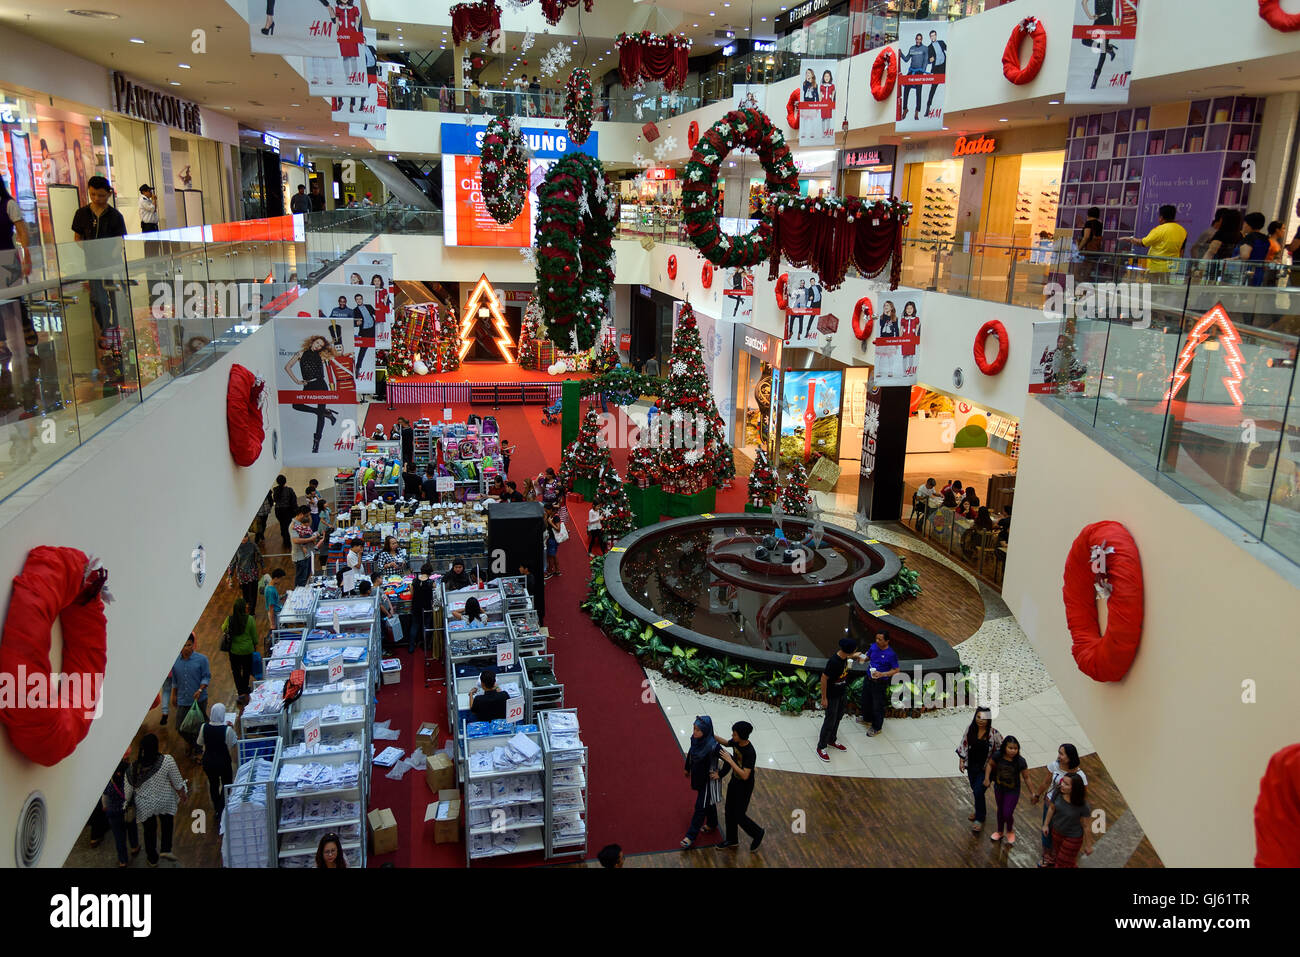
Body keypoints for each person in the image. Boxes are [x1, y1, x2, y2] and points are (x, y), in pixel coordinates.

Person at [71, 175, 128, 334]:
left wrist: (111, 256)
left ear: (109, 194)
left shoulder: (115, 216)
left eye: (101, 195)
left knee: (117, 297)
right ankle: (105, 329)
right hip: (92, 264)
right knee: (98, 298)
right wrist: (91, 251)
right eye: (93, 194)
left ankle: (119, 327)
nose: (96, 198)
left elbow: (119, 242)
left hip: (113, 263)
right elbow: (77, 237)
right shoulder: (81, 213)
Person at [125, 734, 187, 866]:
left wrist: (126, 804)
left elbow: (128, 792)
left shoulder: (132, 768)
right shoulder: (167, 760)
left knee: (149, 832)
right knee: (167, 823)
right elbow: (177, 782)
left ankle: (152, 859)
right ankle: (165, 849)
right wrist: (182, 794)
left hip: (145, 805)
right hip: (165, 799)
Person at [284, 335, 348, 454]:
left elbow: (334, 353)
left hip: (321, 385)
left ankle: (316, 442)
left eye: (320, 346)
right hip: (308, 386)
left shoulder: (321, 355)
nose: (318, 346)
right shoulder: (301, 353)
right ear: (312, 341)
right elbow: (287, 367)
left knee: (319, 416)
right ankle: (326, 413)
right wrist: (297, 381)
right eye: (317, 343)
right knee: (296, 405)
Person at [1031, 743, 1089, 866]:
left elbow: (1083, 796)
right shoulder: (1054, 766)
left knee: (1061, 831)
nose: (1059, 756)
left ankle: (1059, 855)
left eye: (1062, 754)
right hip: (1051, 802)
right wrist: (1037, 794)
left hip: (1068, 810)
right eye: (1059, 753)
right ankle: (1048, 856)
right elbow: (1046, 782)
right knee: (1048, 829)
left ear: (1070, 757)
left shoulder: (1080, 776)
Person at [714, 720, 765, 851]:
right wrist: (710, 733)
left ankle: (757, 833)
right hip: (734, 782)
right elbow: (725, 742)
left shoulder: (750, 753)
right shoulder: (736, 742)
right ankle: (732, 840)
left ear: (742, 736)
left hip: (744, 787)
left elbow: (745, 775)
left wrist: (730, 761)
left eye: (735, 734)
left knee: (739, 815)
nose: (732, 736)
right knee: (729, 811)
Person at [817, 637, 868, 760]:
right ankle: (821, 746)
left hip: (841, 693)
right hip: (832, 696)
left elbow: (846, 657)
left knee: (838, 718)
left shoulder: (844, 657)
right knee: (830, 720)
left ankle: (832, 739)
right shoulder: (834, 662)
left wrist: (854, 655)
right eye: (854, 650)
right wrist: (824, 698)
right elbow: (824, 678)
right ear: (849, 651)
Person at [956, 707, 1003, 833]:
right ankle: (979, 811)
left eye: (984, 718)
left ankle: (980, 817)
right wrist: (961, 761)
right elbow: (964, 744)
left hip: (986, 769)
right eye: (978, 717)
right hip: (972, 767)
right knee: (976, 790)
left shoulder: (994, 734)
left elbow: (1001, 749)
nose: (981, 720)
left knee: (978, 791)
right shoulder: (970, 729)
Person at [681, 715, 724, 848]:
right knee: (707, 803)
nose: (695, 732)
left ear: (705, 731)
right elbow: (692, 752)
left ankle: (690, 836)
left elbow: (729, 760)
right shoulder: (696, 740)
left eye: (698, 730)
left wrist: (720, 774)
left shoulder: (713, 746)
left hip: (708, 782)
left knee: (700, 807)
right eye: (694, 728)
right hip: (698, 778)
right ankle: (712, 823)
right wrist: (687, 768)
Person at [984, 734, 1032, 844]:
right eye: (1010, 748)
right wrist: (987, 778)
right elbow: (990, 765)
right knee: (1000, 810)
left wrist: (1032, 793)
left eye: (1015, 748)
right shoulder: (997, 756)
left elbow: (1027, 777)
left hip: (1013, 791)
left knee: (1007, 812)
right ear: (1005, 747)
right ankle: (1000, 831)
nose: (1013, 751)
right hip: (999, 788)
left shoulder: (1020, 761)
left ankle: (1009, 830)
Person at [1120, 204, 1186, 279]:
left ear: (1161, 217)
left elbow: (1143, 243)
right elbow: (1182, 251)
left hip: (1156, 269)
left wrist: (1129, 239)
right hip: (1173, 269)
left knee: (1154, 289)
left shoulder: (1159, 230)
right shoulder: (1182, 230)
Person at [1042, 772, 1094, 867]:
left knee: (1061, 863)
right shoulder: (1057, 792)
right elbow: (1052, 808)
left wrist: (1088, 845)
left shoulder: (1083, 805)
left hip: (1073, 837)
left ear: (1074, 788)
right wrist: (1046, 825)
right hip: (1056, 832)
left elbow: (1086, 826)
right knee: (1065, 861)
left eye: (1066, 784)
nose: (1062, 785)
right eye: (1063, 782)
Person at [169, 634, 210, 753]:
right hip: (183, 699)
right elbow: (175, 681)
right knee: (180, 727)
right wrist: (174, 695)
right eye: (184, 645)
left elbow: (206, 677)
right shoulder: (175, 662)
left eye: (189, 645)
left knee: (198, 726)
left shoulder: (202, 660)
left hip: (199, 699)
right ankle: (195, 744)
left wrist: (200, 690)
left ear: (193, 645)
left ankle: (198, 750)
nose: (187, 648)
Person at [199, 702, 237, 820]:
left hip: (208, 761)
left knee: (213, 784)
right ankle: (222, 808)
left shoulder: (204, 727)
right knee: (227, 784)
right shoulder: (227, 730)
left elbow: (200, 742)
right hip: (223, 761)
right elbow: (233, 743)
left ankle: (217, 808)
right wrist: (231, 728)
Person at [860, 632, 901, 737]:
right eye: (876, 639)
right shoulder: (873, 647)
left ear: (887, 641)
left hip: (880, 683)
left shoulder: (891, 654)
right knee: (866, 701)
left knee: (878, 706)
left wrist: (882, 674)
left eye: (880, 639)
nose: (877, 641)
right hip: (868, 679)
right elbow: (868, 657)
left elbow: (896, 670)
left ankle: (877, 727)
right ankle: (867, 719)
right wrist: (862, 658)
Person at [101, 760, 140, 866]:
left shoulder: (110, 784)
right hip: (129, 811)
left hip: (114, 815)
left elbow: (104, 798)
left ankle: (123, 860)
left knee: (119, 838)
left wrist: (105, 807)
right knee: (132, 829)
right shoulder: (132, 781)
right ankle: (134, 847)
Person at [222, 597, 258, 702]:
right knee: (246, 670)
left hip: (234, 651)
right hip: (247, 650)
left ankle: (240, 691)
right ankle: (246, 688)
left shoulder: (229, 619)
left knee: (236, 671)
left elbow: (223, 628)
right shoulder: (250, 619)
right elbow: (254, 635)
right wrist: (255, 644)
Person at [226, 533, 265, 614]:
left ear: (248, 536)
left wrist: (263, 566)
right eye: (242, 537)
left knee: (253, 593)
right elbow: (232, 563)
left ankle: (252, 611)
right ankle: (247, 608)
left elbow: (259, 556)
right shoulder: (236, 548)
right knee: (246, 594)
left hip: (253, 572)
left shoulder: (252, 545)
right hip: (242, 574)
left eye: (245, 536)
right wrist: (230, 575)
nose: (244, 538)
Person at [290, 505, 321, 587]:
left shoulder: (302, 523)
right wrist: (311, 539)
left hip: (307, 554)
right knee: (301, 579)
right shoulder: (293, 525)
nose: (309, 517)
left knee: (306, 576)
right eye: (307, 515)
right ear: (301, 514)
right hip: (300, 557)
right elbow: (295, 540)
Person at [1237, 212, 1271, 286]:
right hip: (1259, 272)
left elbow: (1245, 256)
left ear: (1248, 224)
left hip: (1247, 272)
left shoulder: (1249, 237)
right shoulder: (1265, 239)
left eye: (1244, 223)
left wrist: (1234, 258)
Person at [900, 32, 928, 121]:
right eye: (917, 39)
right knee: (906, 90)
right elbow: (906, 59)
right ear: (915, 39)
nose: (918, 40)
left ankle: (917, 112)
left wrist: (922, 71)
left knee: (918, 92)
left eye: (920, 39)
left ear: (921, 40)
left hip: (919, 72)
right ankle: (905, 109)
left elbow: (926, 61)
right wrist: (901, 54)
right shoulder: (912, 48)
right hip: (911, 71)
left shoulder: (925, 48)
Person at [408, 562, 434, 654]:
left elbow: (411, 593)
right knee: (427, 626)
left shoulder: (414, 581)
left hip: (416, 606)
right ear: (430, 572)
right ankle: (426, 645)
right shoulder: (431, 583)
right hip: (427, 607)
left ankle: (411, 646)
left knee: (414, 625)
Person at [271, 475, 298, 551]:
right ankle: (288, 541)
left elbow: (275, 500)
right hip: (287, 510)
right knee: (288, 525)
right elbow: (293, 501)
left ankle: (285, 540)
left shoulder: (275, 490)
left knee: (282, 525)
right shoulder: (289, 490)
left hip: (278, 511)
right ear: (285, 481)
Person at [924, 29, 946, 117]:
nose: (933, 37)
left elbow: (948, 49)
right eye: (931, 36)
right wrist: (930, 60)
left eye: (934, 35)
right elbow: (928, 60)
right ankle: (928, 107)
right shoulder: (929, 47)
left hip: (944, 66)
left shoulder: (941, 42)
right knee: (933, 88)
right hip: (937, 69)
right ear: (930, 37)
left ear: (936, 36)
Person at [544, 504, 563, 579]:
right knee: (553, 555)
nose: (545, 512)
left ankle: (550, 571)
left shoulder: (556, 517)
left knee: (551, 556)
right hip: (550, 539)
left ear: (551, 510)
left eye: (546, 510)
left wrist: (550, 522)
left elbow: (558, 529)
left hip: (553, 540)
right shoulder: (548, 516)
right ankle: (557, 570)